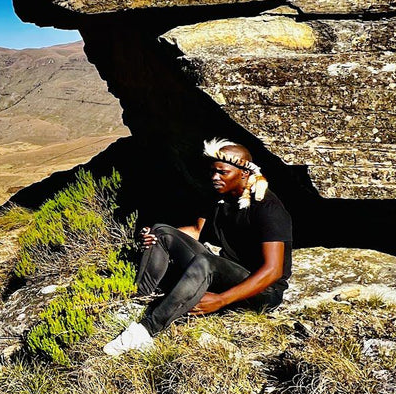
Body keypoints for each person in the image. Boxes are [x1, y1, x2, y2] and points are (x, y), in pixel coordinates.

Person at [103, 138, 292, 356]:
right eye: (213, 171)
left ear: (243, 173)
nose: (215, 177)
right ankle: (138, 301)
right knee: (160, 231)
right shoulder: (219, 198)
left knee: (206, 262)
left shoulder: (268, 209)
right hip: (229, 271)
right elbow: (196, 231)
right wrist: (149, 234)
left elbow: (273, 271)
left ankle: (145, 332)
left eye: (223, 172)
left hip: (263, 292)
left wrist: (222, 300)